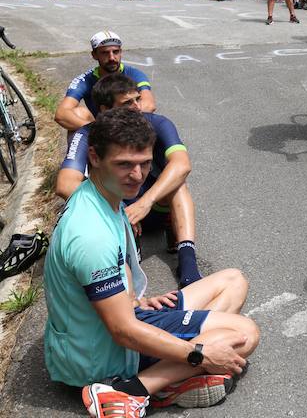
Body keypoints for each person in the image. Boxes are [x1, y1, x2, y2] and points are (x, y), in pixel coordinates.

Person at [43, 107, 259, 415]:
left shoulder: (103, 194)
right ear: (93, 156)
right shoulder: (91, 235)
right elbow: (122, 331)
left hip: (104, 330)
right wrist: (199, 355)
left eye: (145, 163)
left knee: (233, 281)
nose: (137, 175)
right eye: (124, 165)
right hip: (100, 358)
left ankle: (169, 374)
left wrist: (130, 297)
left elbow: (120, 264)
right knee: (244, 334)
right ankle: (127, 390)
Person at [56, 73, 203, 288]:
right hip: (118, 211)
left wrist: (146, 203)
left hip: (153, 207)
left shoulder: (157, 123)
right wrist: (117, 209)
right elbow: (65, 184)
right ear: (105, 110)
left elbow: (182, 164)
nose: (137, 107)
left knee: (179, 181)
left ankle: (188, 262)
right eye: (127, 103)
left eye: (137, 99)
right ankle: (124, 249)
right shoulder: (88, 134)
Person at [55, 31, 156, 132]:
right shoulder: (84, 80)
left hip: (130, 127)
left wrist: (122, 127)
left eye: (115, 52)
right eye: (105, 53)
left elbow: (149, 105)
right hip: (101, 132)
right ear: (94, 55)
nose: (112, 58)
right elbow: (62, 114)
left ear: (121, 52)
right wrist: (100, 132)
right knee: (79, 113)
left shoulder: (134, 73)